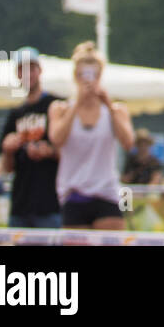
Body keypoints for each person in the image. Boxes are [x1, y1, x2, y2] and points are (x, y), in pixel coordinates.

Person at [48, 41, 135, 230]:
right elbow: (57, 140)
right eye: (83, 75)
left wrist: (109, 105)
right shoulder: (61, 109)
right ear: (75, 77)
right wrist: (77, 104)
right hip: (74, 193)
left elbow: (128, 143)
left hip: (106, 192)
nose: (88, 81)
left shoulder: (115, 110)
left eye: (93, 75)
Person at [0, 47, 62, 229]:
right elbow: (6, 167)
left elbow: (73, 152)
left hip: (51, 203)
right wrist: (8, 151)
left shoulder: (56, 106)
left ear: (39, 70)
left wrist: (50, 152)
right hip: (21, 205)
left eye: (31, 69)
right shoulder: (16, 114)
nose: (27, 74)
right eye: (21, 70)